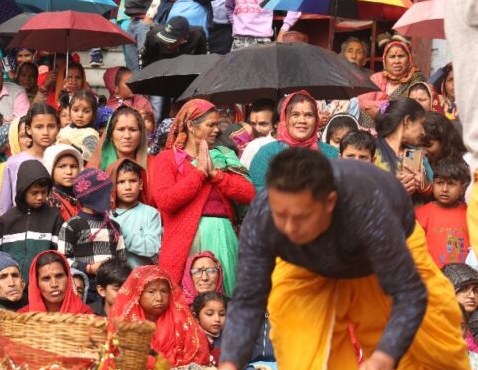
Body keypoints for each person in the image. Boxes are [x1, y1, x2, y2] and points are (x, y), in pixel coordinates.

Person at [220, 148, 478, 370]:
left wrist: (385, 354)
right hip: (305, 270)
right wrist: (229, 366)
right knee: (303, 357)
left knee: (433, 345)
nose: (288, 229)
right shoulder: (265, 217)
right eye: (282, 215)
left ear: (329, 202)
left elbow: (409, 293)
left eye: (301, 217)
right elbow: (248, 300)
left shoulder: (368, 206)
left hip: (387, 256)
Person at [150, 99, 254, 290]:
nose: (217, 129)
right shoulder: (168, 159)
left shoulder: (223, 155)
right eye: (211, 125)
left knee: (221, 305)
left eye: (217, 124)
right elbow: (166, 201)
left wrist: (216, 175)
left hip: (222, 237)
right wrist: (199, 174)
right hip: (184, 242)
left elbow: (249, 193)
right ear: (191, 125)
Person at [111, 264, 211, 368]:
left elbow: (198, 357)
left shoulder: (183, 323)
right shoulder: (125, 324)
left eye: (164, 291)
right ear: (138, 293)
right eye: (151, 291)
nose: (159, 298)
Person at [249, 92, 340, 191]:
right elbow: (260, 195)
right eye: (295, 115)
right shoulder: (266, 154)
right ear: (284, 119)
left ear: (316, 120)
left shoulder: (332, 154)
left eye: (308, 115)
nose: (302, 120)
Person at [0, 159, 63, 275]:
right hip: (12, 284)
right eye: (34, 193)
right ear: (22, 191)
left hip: (43, 282)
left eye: (44, 192)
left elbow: (59, 253)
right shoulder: (8, 219)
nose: (40, 197)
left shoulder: (54, 217)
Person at [57, 166, 126, 277]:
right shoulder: (72, 226)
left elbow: (122, 260)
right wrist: (87, 268)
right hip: (83, 287)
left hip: (110, 289)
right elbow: (62, 259)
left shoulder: (114, 226)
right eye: (107, 195)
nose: (112, 200)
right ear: (92, 197)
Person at [373, 96, 432, 200]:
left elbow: (436, 195)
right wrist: (394, 191)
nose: (423, 132)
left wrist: (425, 187)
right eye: (421, 124)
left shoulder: (417, 154)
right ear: (407, 121)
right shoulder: (371, 152)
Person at [415, 158, 469, 268]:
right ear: (433, 184)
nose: (444, 189)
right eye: (439, 183)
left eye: (451, 184)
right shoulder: (421, 213)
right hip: (433, 276)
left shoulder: (469, 214)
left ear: (462, 188)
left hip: (466, 279)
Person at [109, 158, 161, 267]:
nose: (128, 187)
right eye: (121, 182)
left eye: (133, 181)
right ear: (113, 186)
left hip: (140, 277)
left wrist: (121, 233)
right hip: (112, 279)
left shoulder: (150, 213)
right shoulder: (106, 215)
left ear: (141, 184)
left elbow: (153, 248)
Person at [21, 250, 93, 313]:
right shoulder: (23, 318)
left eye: (59, 276)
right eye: (46, 278)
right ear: (36, 283)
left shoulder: (85, 314)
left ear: (68, 278)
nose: (54, 284)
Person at [44, 143, 82, 222]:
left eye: (73, 166)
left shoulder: (84, 196)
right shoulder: (50, 200)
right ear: (51, 169)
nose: (69, 172)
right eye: (61, 166)